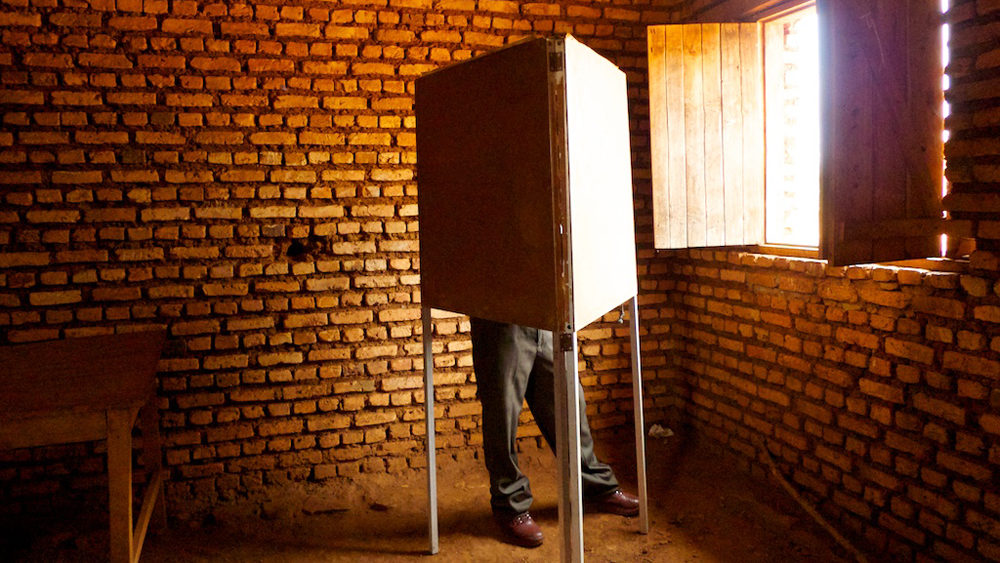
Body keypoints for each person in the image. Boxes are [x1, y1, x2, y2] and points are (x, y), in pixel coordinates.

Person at [470, 317, 639, 548]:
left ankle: (595, 486)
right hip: (501, 322)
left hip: (544, 317)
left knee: (570, 402)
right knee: (503, 414)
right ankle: (509, 507)